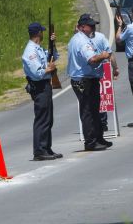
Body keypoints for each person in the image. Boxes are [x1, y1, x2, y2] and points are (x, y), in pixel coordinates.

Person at [67, 15, 112, 151]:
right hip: (84, 79)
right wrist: (103, 56)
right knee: (88, 111)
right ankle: (91, 142)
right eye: (90, 26)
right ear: (81, 27)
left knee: (93, 109)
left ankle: (98, 138)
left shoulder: (79, 39)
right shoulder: (82, 41)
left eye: (94, 25)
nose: (93, 28)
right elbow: (92, 59)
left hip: (86, 78)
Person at [22, 22, 62, 161]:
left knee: (48, 118)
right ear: (38, 33)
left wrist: (53, 44)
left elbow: (53, 56)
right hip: (39, 86)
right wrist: (49, 69)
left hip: (45, 85)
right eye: (42, 32)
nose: (43, 34)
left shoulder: (38, 48)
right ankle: (39, 150)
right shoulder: (31, 51)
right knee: (42, 119)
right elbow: (37, 72)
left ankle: (46, 147)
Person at [79, 13, 118, 132]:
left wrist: (115, 68)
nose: (94, 28)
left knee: (102, 98)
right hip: (91, 72)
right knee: (97, 98)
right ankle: (99, 123)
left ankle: (101, 123)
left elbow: (109, 54)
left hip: (99, 70)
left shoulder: (85, 38)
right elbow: (109, 54)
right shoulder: (89, 39)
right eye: (91, 25)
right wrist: (115, 69)